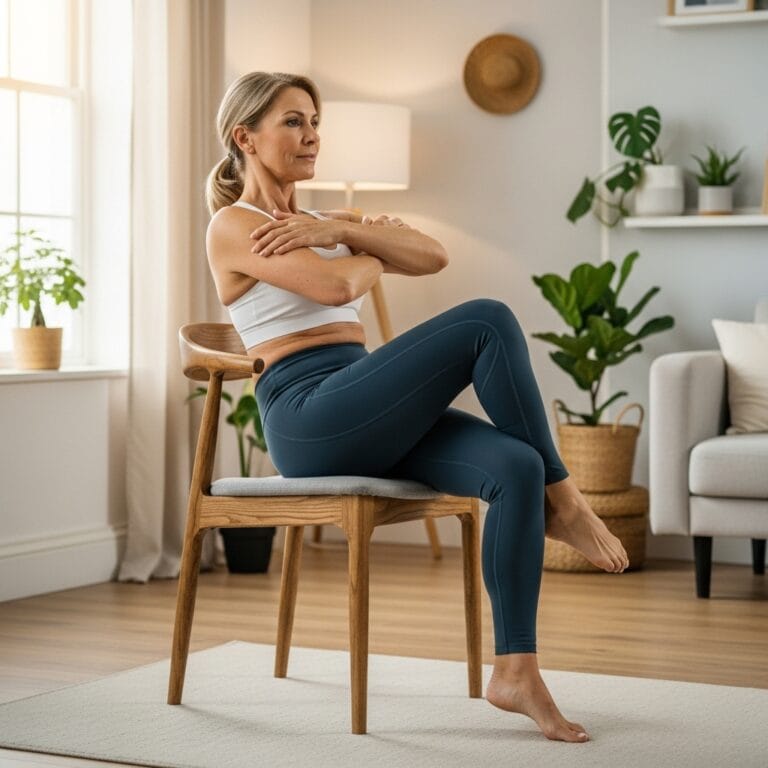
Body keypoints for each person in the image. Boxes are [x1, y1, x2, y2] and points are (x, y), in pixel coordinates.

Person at [204, 71, 629, 744]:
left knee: (514, 466)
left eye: (314, 120)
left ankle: (516, 672)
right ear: (244, 137)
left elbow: (431, 254)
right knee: (486, 320)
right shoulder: (236, 225)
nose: (311, 134)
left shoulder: (320, 222)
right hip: (307, 415)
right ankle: (568, 501)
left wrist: (345, 227)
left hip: (361, 398)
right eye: (292, 121)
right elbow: (341, 279)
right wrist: (369, 247)